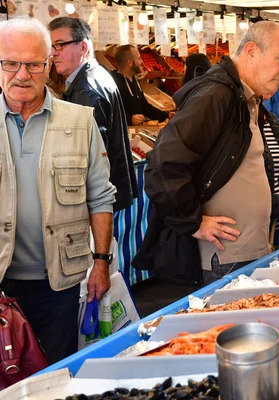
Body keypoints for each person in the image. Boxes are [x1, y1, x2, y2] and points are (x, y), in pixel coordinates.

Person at [143, 22, 279, 286]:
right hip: (224, 260)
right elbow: (163, 164)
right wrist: (193, 222)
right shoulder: (217, 94)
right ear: (251, 50)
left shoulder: (246, 98)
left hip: (247, 252)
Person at [0, 17, 116, 363]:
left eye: (34, 64)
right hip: (2, 281)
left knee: (55, 371)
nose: (22, 75)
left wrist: (101, 264)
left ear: (49, 64)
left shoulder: (79, 121)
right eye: (10, 63)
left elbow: (100, 196)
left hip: (58, 283)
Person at [48, 17, 137, 213]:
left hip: (95, 201)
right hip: (107, 194)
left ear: (84, 48)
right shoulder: (98, 75)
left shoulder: (85, 90)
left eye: (60, 45)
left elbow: (91, 156)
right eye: (52, 46)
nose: (54, 53)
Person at [111, 44, 174, 126]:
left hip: (135, 132)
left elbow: (145, 107)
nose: (142, 61)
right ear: (129, 62)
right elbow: (109, 112)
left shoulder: (134, 80)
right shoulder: (112, 83)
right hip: (120, 134)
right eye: (138, 58)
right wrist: (129, 119)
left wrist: (167, 115)